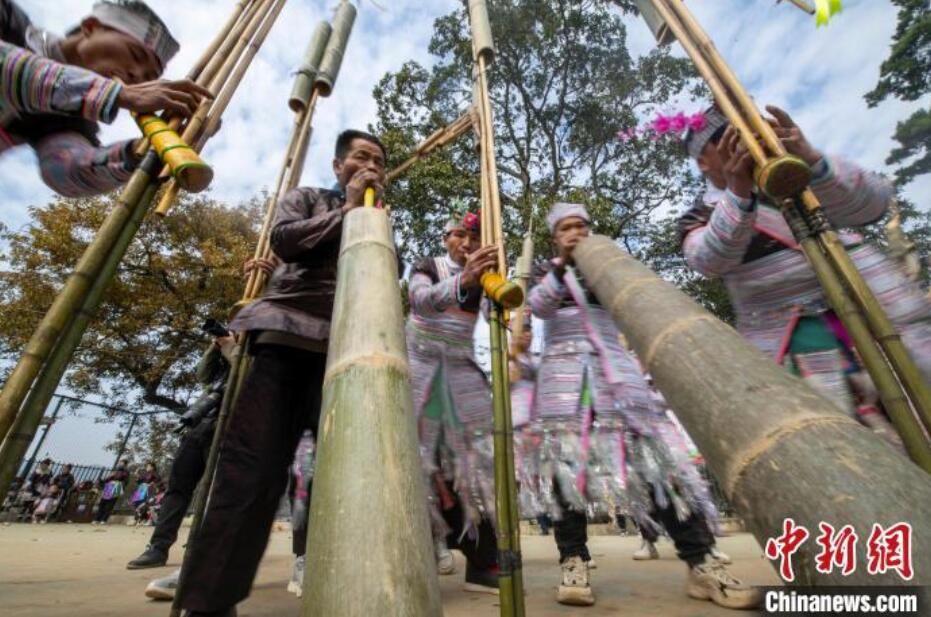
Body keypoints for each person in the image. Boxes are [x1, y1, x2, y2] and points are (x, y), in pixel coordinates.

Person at [175, 129, 387, 617]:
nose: (370, 165)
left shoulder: (383, 220)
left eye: (378, 160)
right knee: (250, 473)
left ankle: (356, 585)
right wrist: (347, 210)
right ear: (339, 167)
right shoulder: (309, 199)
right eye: (360, 157)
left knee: (354, 476)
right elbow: (285, 241)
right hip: (285, 342)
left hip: (350, 355)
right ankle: (210, 602)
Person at [526, 202, 760, 610]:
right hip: (563, 381)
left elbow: (638, 307)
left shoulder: (611, 264)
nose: (575, 233)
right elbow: (539, 306)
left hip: (617, 377)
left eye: (582, 225)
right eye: (566, 228)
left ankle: (700, 561)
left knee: (657, 466)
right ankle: (574, 559)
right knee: (567, 473)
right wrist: (563, 265)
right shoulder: (543, 270)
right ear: (554, 237)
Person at [678, 105, 931, 443]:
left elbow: (874, 204)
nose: (743, 137)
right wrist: (739, 190)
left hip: (882, 321)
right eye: (726, 135)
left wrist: (809, 157)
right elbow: (708, 260)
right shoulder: (700, 214)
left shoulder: (799, 175)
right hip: (797, 344)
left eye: (750, 124)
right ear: (703, 162)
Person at [1, 0, 212, 196]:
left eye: (149, 78)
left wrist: (143, 151)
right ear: (91, 27)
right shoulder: (8, 19)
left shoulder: (74, 118)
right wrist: (114, 93)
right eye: (135, 54)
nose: (136, 76)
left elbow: (66, 171)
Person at [406, 209, 501, 594]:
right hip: (419, 373)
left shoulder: (487, 277)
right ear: (446, 237)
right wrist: (465, 279)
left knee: (469, 470)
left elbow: (503, 320)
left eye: (475, 239)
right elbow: (420, 302)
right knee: (420, 466)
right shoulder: (427, 266)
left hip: (460, 376)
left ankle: (482, 562)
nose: (467, 244)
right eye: (460, 235)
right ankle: (419, 550)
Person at [92, 458, 129, 524]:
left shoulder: (125, 472)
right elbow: (108, 479)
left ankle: (104, 519)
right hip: (109, 485)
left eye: (121, 462)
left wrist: (120, 484)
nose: (119, 463)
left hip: (117, 485)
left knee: (110, 504)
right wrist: (103, 480)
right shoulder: (115, 471)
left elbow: (125, 481)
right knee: (103, 503)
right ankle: (97, 519)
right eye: (119, 462)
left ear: (125, 464)